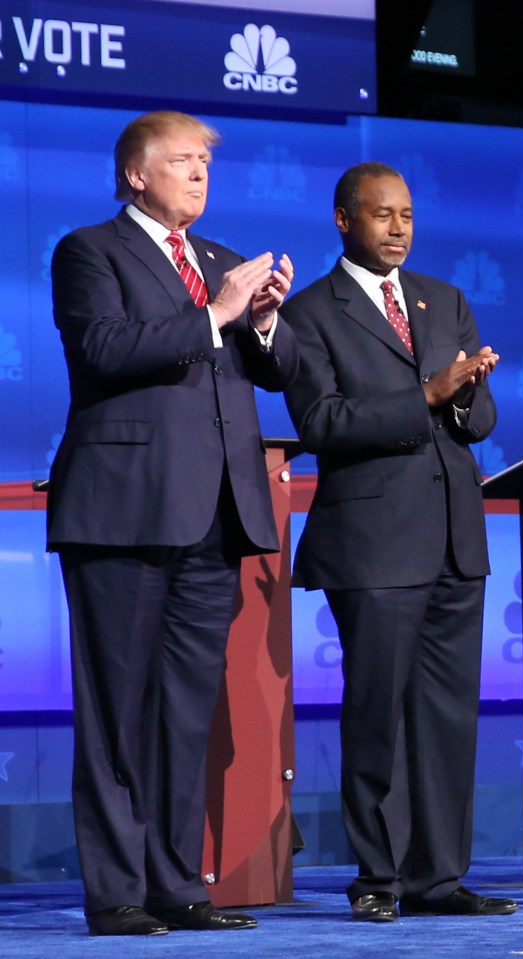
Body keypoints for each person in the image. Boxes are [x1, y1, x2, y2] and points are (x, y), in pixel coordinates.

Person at [48, 110, 297, 936]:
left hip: (214, 514)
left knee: (187, 710)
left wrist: (263, 318)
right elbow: (104, 349)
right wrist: (217, 313)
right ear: (136, 174)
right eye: (183, 160)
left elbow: (280, 369)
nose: (199, 173)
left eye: (205, 163)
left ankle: (177, 883)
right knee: (117, 710)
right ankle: (116, 890)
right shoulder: (90, 251)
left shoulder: (222, 262)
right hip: (122, 510)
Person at [282, 162, 515, 922]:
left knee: (446, 718)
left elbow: (479, 422)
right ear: (344, 220)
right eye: (382, 214)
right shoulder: (310, 312)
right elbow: (321, 422)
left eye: (407, 215)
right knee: (377, 712)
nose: (398, 228)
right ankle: (377, 878)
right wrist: (427, 394)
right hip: (374, 542)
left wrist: (468, 392)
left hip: (455, 538)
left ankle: (438, 878)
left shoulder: (444, 299)